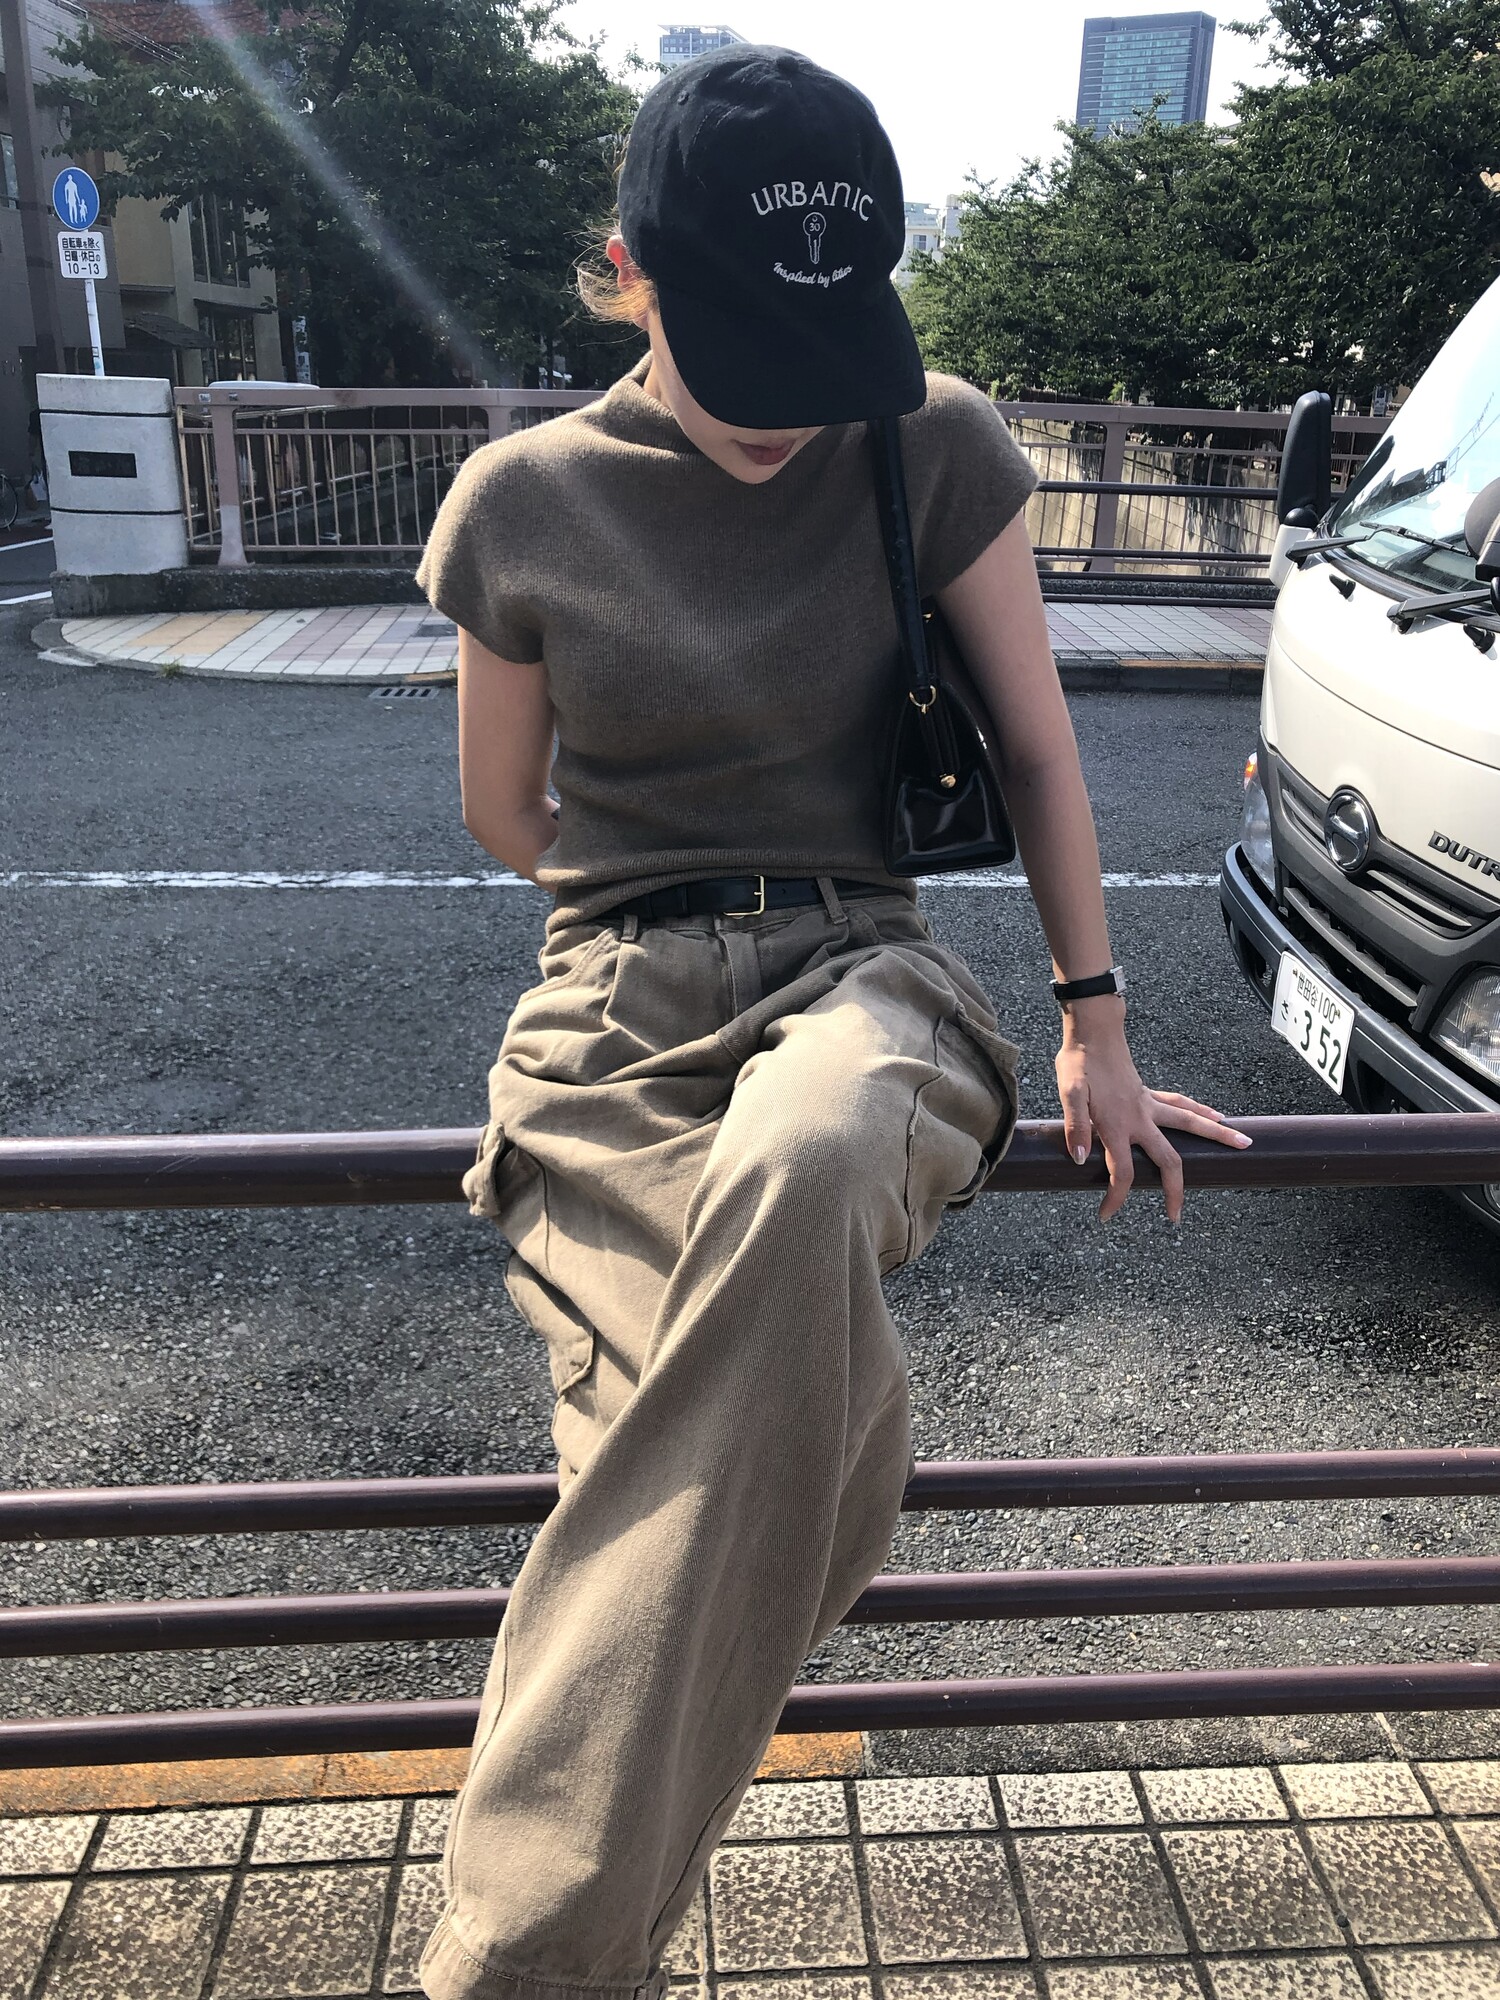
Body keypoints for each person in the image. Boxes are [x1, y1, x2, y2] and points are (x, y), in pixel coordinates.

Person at [415, 45, 1249, 2000]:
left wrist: (1097, 1024)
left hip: (867, 974)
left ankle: (509, 1965)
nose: (793, 405)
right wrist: (661, 909)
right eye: (746, 349)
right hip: (613, 1014)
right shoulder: (520, 501)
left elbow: (1038, 751)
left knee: (799, 1182)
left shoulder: (929, 440)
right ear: (629, 269)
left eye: (824, 343)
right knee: (723, 1465)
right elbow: (506, 816)